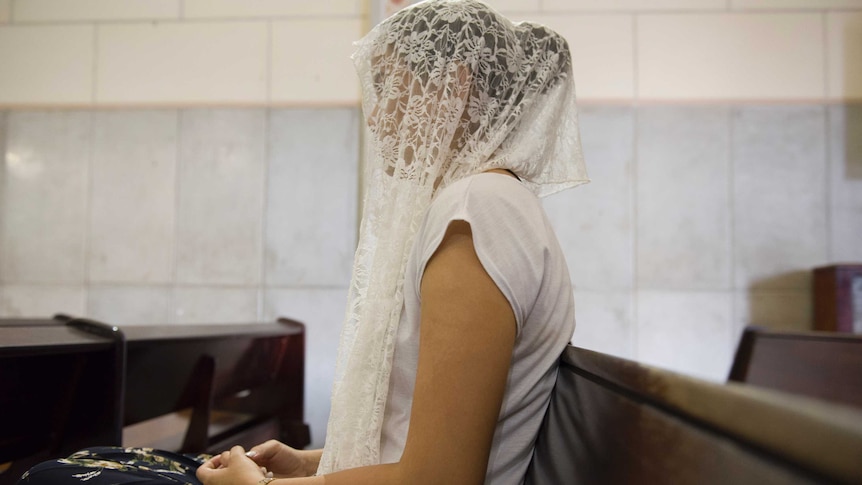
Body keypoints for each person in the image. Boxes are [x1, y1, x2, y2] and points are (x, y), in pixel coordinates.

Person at [18, 1, 587, 484]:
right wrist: (308, 463)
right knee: (92, 465)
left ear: (451, 87)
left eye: (388, 87)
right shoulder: (484, 204)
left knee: (54, 476)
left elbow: (438, 476)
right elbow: (414, 444)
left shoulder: (480, 208)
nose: (376, 118)